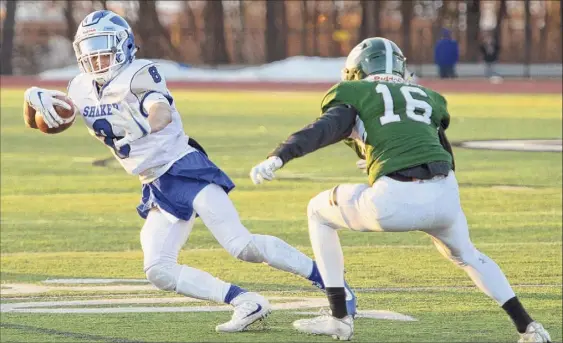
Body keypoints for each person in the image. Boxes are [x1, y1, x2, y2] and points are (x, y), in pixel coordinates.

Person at [23, 10, 356, 333]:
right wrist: (32, 102)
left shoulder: (139, 73)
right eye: (89, 51)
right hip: (154, 183)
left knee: (241, 246)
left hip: (182, 167)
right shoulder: (79, 87)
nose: (96, 59)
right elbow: (48, 120)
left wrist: (143, 126)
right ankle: (245, 301)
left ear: (122, 47)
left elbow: (161, 110)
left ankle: (332, 284)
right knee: (158, 270)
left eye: (103, 49)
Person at [249, 37, 551, 342]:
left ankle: (339, 318)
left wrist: (280, 155)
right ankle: (529, 327)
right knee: (469, 255)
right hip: (445, 193)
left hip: (395, 199)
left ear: (356, 71)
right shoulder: (424, 96)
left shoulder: (356, 92)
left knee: (318, 211)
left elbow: (324, 129)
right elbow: (438, 146)